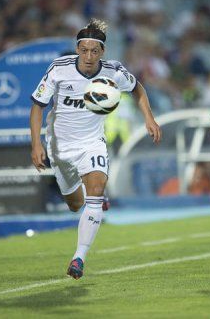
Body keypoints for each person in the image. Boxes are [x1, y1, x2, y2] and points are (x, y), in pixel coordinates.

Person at [30, 19, 161, 279]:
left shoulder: (113, 71)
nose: (89, 56)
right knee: (75, 204)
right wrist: (37, 143)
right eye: (84, 50)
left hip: (92, 142)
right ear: (77, 49)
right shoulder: (59, 69)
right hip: (60, 146)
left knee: (96, 192)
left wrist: (149, 117)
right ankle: (95, 202)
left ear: (102, 52)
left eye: (94, 51)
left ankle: (79, 258)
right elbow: (37, 106)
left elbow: (138, 88)